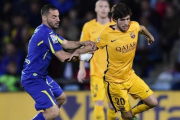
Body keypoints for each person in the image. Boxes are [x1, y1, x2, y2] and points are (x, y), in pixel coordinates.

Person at [71, 3, 158, 120]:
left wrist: (149, 36)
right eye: (122, 20)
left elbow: (141, 28)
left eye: (128, 19)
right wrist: (78, 52)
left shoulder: (133, 26)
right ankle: (128, 116)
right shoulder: (107, 33)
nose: (126, 23)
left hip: (130, 76)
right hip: (114, 82)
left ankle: (130, 116)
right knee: (109, 110)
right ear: (115, 20)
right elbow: (93, 47)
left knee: (153, 102)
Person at [21, 4, 94, 120]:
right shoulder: (45, 34)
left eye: (58, 16)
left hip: (41, 75)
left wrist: (83, 43)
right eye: (54, 17)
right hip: (33, 78)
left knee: (61, 98)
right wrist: (84, 57)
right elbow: (63, 57)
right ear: (44, 18)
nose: (58, 19)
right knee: (54, 112)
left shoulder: (47, 31)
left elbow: (66, 44)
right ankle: (48, 110)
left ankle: (46, 111)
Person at [77, 0, 117, 120]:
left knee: (112, 106)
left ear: (109, 9)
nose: (103, 9)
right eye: (100, 6)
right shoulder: (89, 26)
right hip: (97, 73)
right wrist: (82, 68)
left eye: (105, 6)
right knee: (98, 105)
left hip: (114, 73)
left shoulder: (116, 26)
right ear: (96, 9)